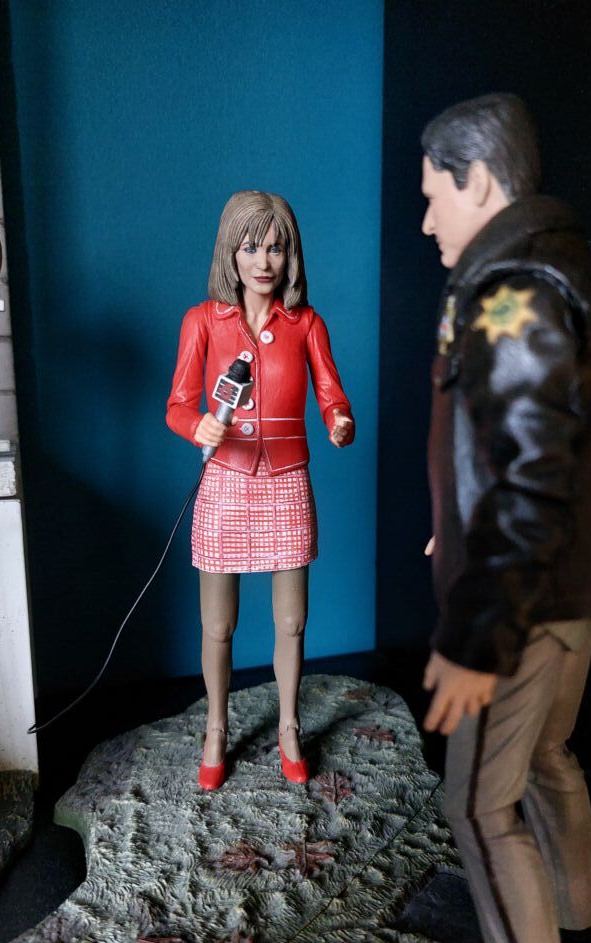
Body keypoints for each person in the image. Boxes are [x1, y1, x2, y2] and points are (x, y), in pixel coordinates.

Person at [419, 95, 591, 943]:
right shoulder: (557, 269)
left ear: (481, 181)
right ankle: (580, 922)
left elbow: (532, 475)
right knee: (544, 755)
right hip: (566, 586)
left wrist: (476, 634)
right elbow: (525, 449)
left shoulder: (514, 290)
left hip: (520, 605)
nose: (426, 222)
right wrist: (456, 527)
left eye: (434, 196)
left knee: (474, 805)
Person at [166, 190, 354, 790]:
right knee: (217, 625)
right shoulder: (202, 320)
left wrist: (339, 421)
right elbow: (177, 403)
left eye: (275, 247)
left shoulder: (306, 324)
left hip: (287, 479)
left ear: (289, 254)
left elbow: (331, 391)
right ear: (231, 251)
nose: (263, 260)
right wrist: (197, 424)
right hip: (225, 478)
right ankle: (216, 728)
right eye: (250, 247)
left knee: (292, 621)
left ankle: (289, 726)